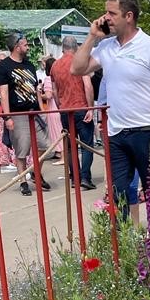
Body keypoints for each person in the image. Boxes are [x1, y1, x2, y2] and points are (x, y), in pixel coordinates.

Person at [70, 0, 150, 226]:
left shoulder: (149, 47)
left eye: (111, 13)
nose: (105, 17)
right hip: (116, 133)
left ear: (128, 16)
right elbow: (76, 69)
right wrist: (91, 37)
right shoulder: (106, 47)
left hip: (145, 130)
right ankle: (124, 247)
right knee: (117, 193)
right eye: (106, 12)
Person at [0, 32, 50, 197]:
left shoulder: (29, 65)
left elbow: (36, 90)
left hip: (34, 112)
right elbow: (3, 93)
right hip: (17, 113)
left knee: (45, 146)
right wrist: (7, 117)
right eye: (25, 44)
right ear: (17, 46)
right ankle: (23, 181)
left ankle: (34, 172)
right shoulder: (3, 66)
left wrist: (42, 110)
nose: (27, 47)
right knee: (22, 150)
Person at [50, 36, 96, 189]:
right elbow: (87, 85)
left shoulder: (55, 66)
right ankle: (85, 178)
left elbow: (55, 91)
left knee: (70, 147)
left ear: (63, 48)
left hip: (65, 110)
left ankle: (74, 177)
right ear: (76, 47)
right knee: (87, 145)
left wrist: (60, 106)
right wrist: (90, 108)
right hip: (81, 107)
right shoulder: (79, 62)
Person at [41, 58, 64, 160]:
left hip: (52, 108)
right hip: (61, 106)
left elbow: (48, 95)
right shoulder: (60, 76)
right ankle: (60, 154)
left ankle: (62, 156)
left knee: (56, 132)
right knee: (61, 131)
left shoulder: (48, 79)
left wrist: (38, 94)